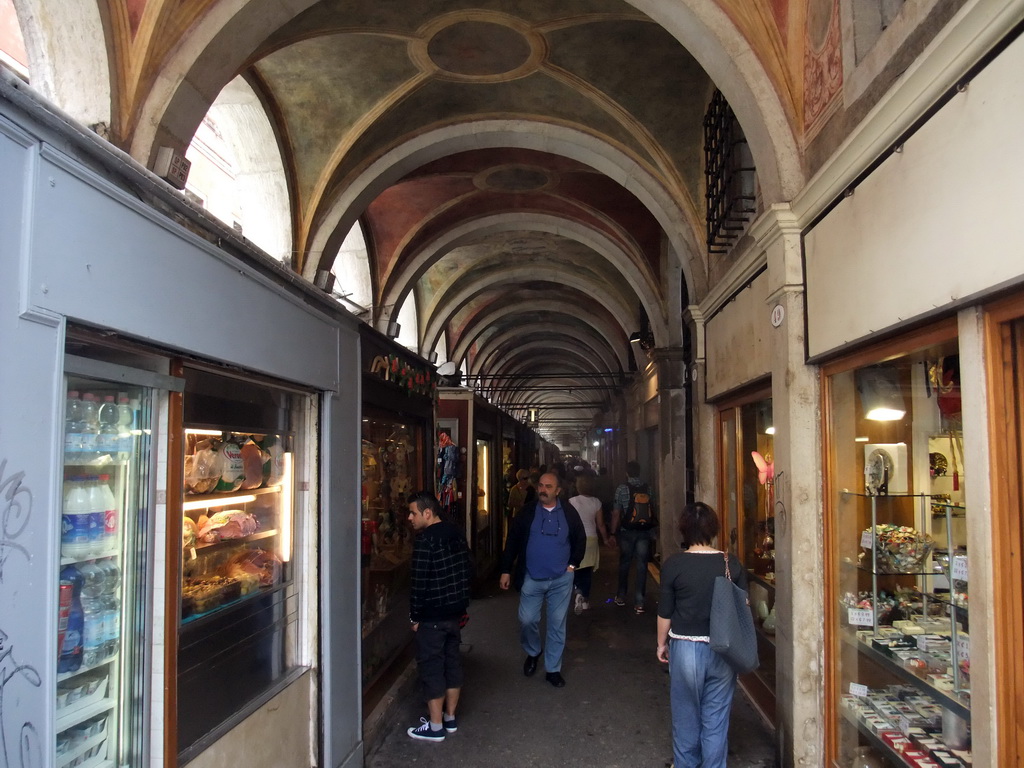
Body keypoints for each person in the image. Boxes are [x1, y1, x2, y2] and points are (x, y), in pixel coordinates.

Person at [656, 502, 747, 768]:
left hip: (685, 649)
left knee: (686, 720)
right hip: (724, 649)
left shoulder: (674, 564)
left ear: (684, 529)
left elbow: (665, 611)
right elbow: (744, 608)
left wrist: (662, 644)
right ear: (714, 529)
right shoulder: (732, 563)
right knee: (716, 722)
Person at [499, 472, 586, 688]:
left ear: (558, 490)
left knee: (557, 625)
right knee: (527, 619)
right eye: (540, 486)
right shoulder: (528, 512)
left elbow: (580, 538)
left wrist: (573, 564)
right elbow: (513, 539)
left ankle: (553, 669)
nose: (542, 490)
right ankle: (533, 651)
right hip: (532, 576)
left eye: (548, 487)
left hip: (560, 579)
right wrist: (506, 569)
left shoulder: (568, 512)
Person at [405, 492, 473, 742]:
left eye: (413, 512)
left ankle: (435, 727)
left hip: (432, 615)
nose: (409, 517)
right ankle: (450, 719)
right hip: (455, 615)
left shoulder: (425, 541)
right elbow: (468, 568)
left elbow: (418, 583)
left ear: (427, 513)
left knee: (432, 667)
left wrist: (414, 616)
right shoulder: (455, 533)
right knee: (452, 664)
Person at [610, 460, 658, 614]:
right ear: (639, 472)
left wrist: (612, 532)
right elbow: (652, 508)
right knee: (642, 565)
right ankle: (639, 601)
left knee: (625, 563)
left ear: (627, 472)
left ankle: (621, 595)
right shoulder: (648, 488)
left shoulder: (622, 489)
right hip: (644, 531)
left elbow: (617, 512)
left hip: (627, 531)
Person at [568, 474, 609, 614]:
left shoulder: (571, 501)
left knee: (574, 567)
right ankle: (585, 600)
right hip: (591, 539)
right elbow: (601, 524)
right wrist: (605, 539)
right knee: (587, 572)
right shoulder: (596, 502)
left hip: (575, 539)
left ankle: (577, 592)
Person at [505, 469, 536, 541]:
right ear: (520, 479)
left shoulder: (531, 488)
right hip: (518, 515)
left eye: (528, 477)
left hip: (529, 515)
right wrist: (519, 503)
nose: (527, 480)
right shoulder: (514, 489)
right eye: (525, 478)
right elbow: (510, 503)